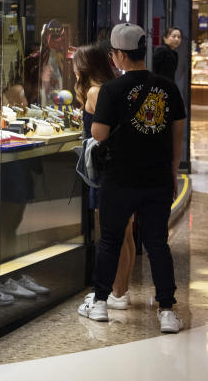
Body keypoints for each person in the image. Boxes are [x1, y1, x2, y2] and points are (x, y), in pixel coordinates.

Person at [78, 24, 185, 333]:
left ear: (121, 55)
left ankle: (99, 304)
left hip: (120, 179)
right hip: (157, 179)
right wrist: (173, 170)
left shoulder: (112, 90)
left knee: (110, 240)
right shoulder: (167, 87)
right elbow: (177, 132)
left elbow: (99, 134)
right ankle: (166, 311)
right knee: (157, 245)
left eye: (113, 55)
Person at [74, 43, 135, 310]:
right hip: (123, 167)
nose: (72, 68)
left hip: (106, 170)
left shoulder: (95, 92)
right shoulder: (111, 88)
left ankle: (118, 293)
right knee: (126, 233)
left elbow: (104, 132)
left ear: (85, 66)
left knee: (113, 233)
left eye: (75, 63)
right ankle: (122, 290)